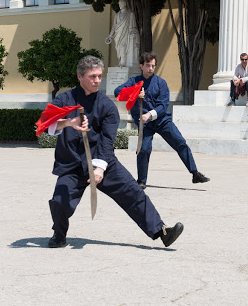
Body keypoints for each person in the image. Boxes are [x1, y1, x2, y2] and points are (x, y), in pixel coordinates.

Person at [46, 55, 183, 248]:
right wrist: (69, 122)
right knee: (61, 201)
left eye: (100, 76)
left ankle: (162, 231)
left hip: (102, 161)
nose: (97, 81)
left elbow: (107, 140)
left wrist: (100, 168)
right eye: (93, 76)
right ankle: (59, 234)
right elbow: (46, 123)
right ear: (80, 76)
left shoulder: (107, 106)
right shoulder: (64, 99)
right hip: (72, 163)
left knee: (133, 192)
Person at [114, 52, 210, 190]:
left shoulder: (161, 83)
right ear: (141, 66)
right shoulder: (134, 81)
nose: (151, 68)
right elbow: (118, 92)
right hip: (145, 124)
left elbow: (163, 106)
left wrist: (149, 115)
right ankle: (141, 181)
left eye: (153, 66)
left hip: (162, 121)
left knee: (180, 143)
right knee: (144, 149)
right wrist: (134, 92)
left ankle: (195, 173)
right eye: (148, 65)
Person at [105, 0, 139, 67]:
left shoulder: (130, 14)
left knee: (123, 46)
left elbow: (133, 26)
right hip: (118, 35)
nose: (120, 5)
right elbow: (114, 26)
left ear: (125, 4)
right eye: (119, 4)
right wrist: (110, 36)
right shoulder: (117, 15)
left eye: (121, 3)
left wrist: (133, 33)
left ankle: (123, 62)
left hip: (126, 33)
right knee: (119, 49)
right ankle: (121, 61)